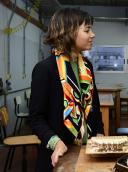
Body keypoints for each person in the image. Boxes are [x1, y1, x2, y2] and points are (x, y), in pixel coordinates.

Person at [29, 8, 104, 171]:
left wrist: (99, 134)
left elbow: (95, 109)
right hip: (58, 156)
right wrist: (55, 142)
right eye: (87, 30)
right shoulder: (45, 69)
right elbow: (36, 118)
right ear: (68, 32)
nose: (93, 34)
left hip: (89, 152)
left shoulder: (87, 66)